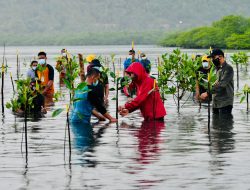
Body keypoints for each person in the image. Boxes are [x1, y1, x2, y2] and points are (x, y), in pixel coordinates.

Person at [200, 49, 234, 114]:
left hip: (225, 103)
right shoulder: (217, 68)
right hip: (216, 102)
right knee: (215, 123)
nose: (212, 60)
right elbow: (216, 83)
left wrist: (207, 93)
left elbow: (222, 85)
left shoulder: (228, 68)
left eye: (213, 58)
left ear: (220, 57)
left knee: (224, 123)